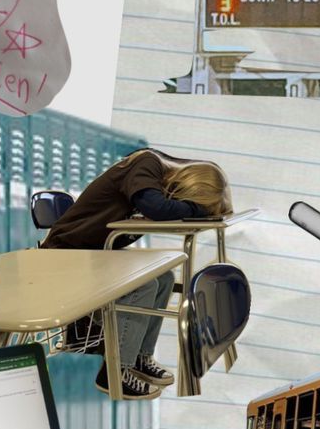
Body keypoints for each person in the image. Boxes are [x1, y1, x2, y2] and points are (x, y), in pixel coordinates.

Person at [42, 148, 233, 399]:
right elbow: (155, 208)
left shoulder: (152, 176)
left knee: (163, 278)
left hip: (92, 255)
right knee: (141, 285)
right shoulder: (147, 163)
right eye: (194, 202)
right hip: (65, 257)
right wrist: (196, 211)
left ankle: (139, 357)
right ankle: (114, 371)